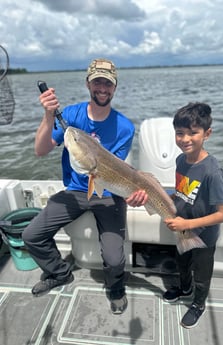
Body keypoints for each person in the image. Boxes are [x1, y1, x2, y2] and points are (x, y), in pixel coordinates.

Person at [22, 58, 145, 315]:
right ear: (88, 83)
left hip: (109, 190)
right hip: (76, 190)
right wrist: (47, 116)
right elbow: (40, 150)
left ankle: (116, 288)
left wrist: (134, 194)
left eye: (107, 83)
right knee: (31, 235)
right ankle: (60, 273)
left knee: (114, 258)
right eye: (97, 82)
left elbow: (116, 170)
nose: (102, 88)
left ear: (115, 87)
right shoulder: (69, 115)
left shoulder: (125, 126)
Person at [128, 102, 223, 328]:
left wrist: (189, 222)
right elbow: (182, 190)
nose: (185, 139)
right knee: (182, 265)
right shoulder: (180, 161)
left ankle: (198, 304)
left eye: (193, 133)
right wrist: (162, 197)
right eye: (180, 133)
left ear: (207, 134)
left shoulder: (212, 171)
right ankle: (185, 289)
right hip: (182, 229)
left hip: (204, 236)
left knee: (202, 275)